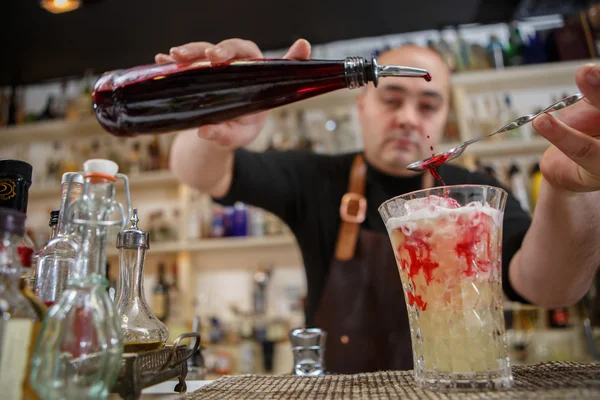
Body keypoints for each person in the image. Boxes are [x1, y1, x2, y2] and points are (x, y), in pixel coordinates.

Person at [160, 38, 600, 374]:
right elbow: (198, 172)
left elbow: (549, 288)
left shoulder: (472, 195)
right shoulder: (316, 178)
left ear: (443, 119)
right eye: (392, 99)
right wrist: (222, 115)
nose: (409, 117)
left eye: (427, 105)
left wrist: (570, 190)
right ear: (362, 104)